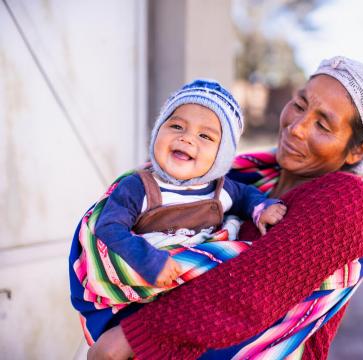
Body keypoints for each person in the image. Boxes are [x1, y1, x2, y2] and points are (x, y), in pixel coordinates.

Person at [87, 56, 363, 360]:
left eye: (323, 125)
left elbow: (257, 287)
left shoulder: (346, 200)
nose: (297, 127)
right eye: (300, 105)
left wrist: (134, 336)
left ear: (357, 150)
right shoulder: (241, 180)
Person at [69, 79, 286, 343]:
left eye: (205, 136)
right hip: (144, 294)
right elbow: (109, 227)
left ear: (223, 155)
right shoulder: (140, 187)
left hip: (191, 301)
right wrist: (148, 260)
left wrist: (262, 208)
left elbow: (248, 197)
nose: (186, 138)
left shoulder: (223, 190)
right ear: (157, 132)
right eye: (176, 126)